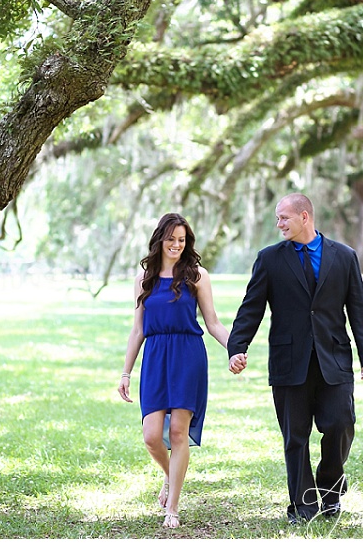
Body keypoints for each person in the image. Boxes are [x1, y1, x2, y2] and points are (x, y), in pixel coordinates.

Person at [226, 193, 363, 523]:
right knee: (295, 438)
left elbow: (358, 309)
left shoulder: (344, 256)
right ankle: (302, 506)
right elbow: (251, 308)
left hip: (333, 358)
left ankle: (331, 491)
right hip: (288, 362)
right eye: (277, 218)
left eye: (284, 218)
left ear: (305, 217)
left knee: (340, 425)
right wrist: (238, 347)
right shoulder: (269, 259)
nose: (278, 224)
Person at [118, 213, 229, 529]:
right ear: (159, 240)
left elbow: (213, 323)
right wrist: (126, 373)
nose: (176, 245)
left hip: (187, 356)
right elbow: (137, 329)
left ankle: (173, 509)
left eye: (182, 240)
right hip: (155, 356)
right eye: (171, 239)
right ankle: (171, 476)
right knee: (152, 436)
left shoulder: (197, 276)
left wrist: (235, 348)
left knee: (178, 432)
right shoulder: (145, 278)